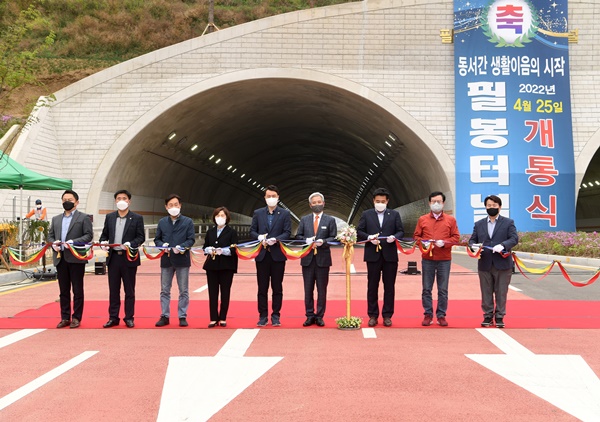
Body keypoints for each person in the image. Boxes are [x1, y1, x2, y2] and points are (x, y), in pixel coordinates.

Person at [357, 188, 404, 327]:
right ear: (373, 201)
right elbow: (360, 231)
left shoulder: (394, 214)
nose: (380, 203)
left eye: (383, 201)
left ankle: (387, 315)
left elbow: (400, 231)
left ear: (387, 201)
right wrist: (369, 237)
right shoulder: (366, 214)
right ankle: (372, 315)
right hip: (373, 255)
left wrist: (394, 237)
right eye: (378, 201)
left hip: (390, 255)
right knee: (372, 286)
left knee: (389, 286)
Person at [469, 194, 519, 328]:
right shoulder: (479, 224)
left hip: (502, 263)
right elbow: (472, 240)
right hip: (484, 263)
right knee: (486, 291)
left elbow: (514, 238)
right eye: (489, 205)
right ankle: (487, 315)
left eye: (494, 205)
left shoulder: (508, 223)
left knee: (501, 291)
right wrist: (474, 246)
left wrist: (503, 245)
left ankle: (500, 316)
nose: (492, 207)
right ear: (485, 207)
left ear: (500, 207)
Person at [47, 189, 94, 329]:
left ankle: (77, 317)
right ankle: (65, 317)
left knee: (77, 290)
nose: (67, 202)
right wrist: (53, 243)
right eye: (64, 200)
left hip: (76, 257)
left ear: (77, 202)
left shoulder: (83, 218)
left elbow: (88, 235)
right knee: (63, 291)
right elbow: (50, 236)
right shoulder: (56, 219)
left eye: (70, 200)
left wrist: (74, 242)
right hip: (60, 258)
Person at [99, 189, 145, 328]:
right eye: (118, 198)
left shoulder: (137, 218)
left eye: (124, 198)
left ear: (129, 201)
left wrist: (131, 244)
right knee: (113, 290)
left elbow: (141, 237)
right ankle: (113, 317)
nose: (121, 201)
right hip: (113, 258)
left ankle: (129, 317)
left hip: (129, 258)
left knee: (129, 290)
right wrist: (103, 243)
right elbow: (104, 235)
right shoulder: (110, 217)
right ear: (115, 201)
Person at [413, 191, 460, 327]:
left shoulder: (450, 220)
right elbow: (416, 237)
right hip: (427, 258)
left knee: (443, 289)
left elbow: (456, 237)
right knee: (426, 288)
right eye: (434, 201)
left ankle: (441, 315)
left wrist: (445, 243)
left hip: (444, 259)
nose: (436, 204)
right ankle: (428, 314)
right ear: (429, 203)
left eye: (439, 201)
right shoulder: (422, 219)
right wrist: (424, 243)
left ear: (443, 203)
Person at [250, 185, 291, 327]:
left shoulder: (284, 214)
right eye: (269, 196)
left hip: (277, 255)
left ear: (278, 197)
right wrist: (259, 237)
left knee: (277, 287)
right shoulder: (258, 213)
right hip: (262, 255)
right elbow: (252, 231)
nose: (271, 198)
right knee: (262, 288)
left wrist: (277, 239)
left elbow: (287, 232)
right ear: (265, 198)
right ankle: (262, 315)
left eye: (273, 196)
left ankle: (276, 315)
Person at [295, 192, 337, 327]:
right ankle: (309, 315)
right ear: (310, 205)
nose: (317, 204)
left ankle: (319, 316)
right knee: (308, 289)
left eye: (319, 202)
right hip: (307, 259)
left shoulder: (330, 220)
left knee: (322, 290)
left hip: (323, 260)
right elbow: (298, 236)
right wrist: (306, 240)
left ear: (323, 203)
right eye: (314, 203)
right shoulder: (304, 220)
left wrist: (323, 242)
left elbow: (333, 237)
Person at [154, 194, 196, 327]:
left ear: (180, 205)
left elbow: (191, 239)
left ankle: (182, 315)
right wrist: (162, 245)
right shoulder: (162, 222)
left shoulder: (188, 222)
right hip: (166, 260)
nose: (174, 207)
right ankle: (164, 315)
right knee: (165, 289)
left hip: (182, 259)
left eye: (176, 204)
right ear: (166, 207)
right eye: (170, 205)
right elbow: (157, 239)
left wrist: (182, 247)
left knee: (183, 290)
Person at [202, 206, 238, 328]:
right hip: (212, 266)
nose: (220, 218)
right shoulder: (210, 232)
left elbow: (234, 249)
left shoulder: (232, 232)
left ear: (227, 217)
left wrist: (223, 251)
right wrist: (208, 249)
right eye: (218, 215)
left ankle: (222, 317)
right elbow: (205, 247)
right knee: (212, 293)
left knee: (225, 292)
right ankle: (213, 318)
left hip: (226, 266)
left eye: (222, 215)